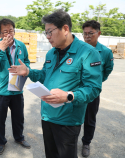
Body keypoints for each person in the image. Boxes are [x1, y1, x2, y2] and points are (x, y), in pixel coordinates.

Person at [9, 10, 102, 158]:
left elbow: (94, 88)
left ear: (65, 29)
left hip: (67, 120)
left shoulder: (88, 53)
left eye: (50, 32)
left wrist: (69, 96)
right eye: (45, 33)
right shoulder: (51, 53)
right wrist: (28, 72)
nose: (47, 37)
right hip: (47, 115)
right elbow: (44, 75)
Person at [0, 18, 31, 155]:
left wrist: (25, 69)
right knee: (0, 119)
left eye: (11, 30)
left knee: (18, 117)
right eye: (5, 31)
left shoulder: (21, 46)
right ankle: (0, 141)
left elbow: (27, 62)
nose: (9, 34)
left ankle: (19, 138)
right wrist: (1, 49)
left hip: (16, 87)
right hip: (0, 90)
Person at [81, 20, 114, 157]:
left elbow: (107, 69)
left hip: (92, 92)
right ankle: (70, 140)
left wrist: (98, 82)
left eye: (91, 33)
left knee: (89, 118)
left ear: (98, 33)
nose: (87, 36)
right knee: (73, 116)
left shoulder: (105, 52)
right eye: (85, 34)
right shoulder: (79, 49)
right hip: (76, 89)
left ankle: (86, 143)